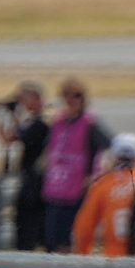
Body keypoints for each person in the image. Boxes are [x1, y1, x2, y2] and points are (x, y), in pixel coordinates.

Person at [41, 77, 114, 253]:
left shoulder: (90, 124)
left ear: (83, 100)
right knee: (50, 238)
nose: (70, 100)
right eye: (67, 96)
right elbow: (47, 148)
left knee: (69, 238)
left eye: (76, 96)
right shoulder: (57, 122)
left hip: (77, 190)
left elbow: (110, 145)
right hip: (55, 187)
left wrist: (98, 177)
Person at [0, 80, 49, 251]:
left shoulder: (40, 123)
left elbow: (8, 139)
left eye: (25, 99)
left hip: (35, 182)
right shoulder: (34, 121)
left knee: (28, 227)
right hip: (33, 180)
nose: (22, 104)